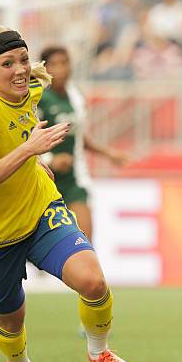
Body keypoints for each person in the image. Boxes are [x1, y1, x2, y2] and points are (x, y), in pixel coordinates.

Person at [0, 25, 137, 362]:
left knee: (92, 281)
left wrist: (36, 165)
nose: (20, 69)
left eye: (23, 59)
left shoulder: (31, 88)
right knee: (12, 320)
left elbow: (42, 75)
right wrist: (31, 152)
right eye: (7, 64)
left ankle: (98, 351)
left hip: (42, 211)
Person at [37, 46, 127, 240]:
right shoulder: (37, 98)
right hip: (43, 179)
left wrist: (108, 153)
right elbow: (24, 138)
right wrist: (50, 160)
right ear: (45, 69)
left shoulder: (76, 97)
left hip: (74, 179)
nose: (60, 69)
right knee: (42, 247)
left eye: (64, 63)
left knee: (84, 241)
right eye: (54, 64)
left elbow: (78, 135)